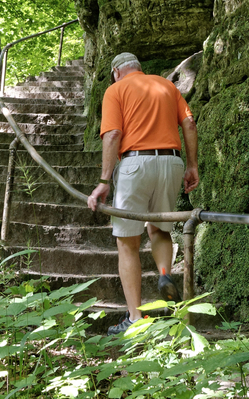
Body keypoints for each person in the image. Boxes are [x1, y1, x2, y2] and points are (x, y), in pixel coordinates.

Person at [87, 52, 199, 335]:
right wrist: (193, 165)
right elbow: (189, 123)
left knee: (127, 242)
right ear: (139, 68)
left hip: (135, 163)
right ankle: (164, 274)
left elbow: (112, 135)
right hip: (172, 162)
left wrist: (103, 181)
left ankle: (136, 318)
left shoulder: (116, 90)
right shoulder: (166, 85)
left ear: (116, 72)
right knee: (160, 229)